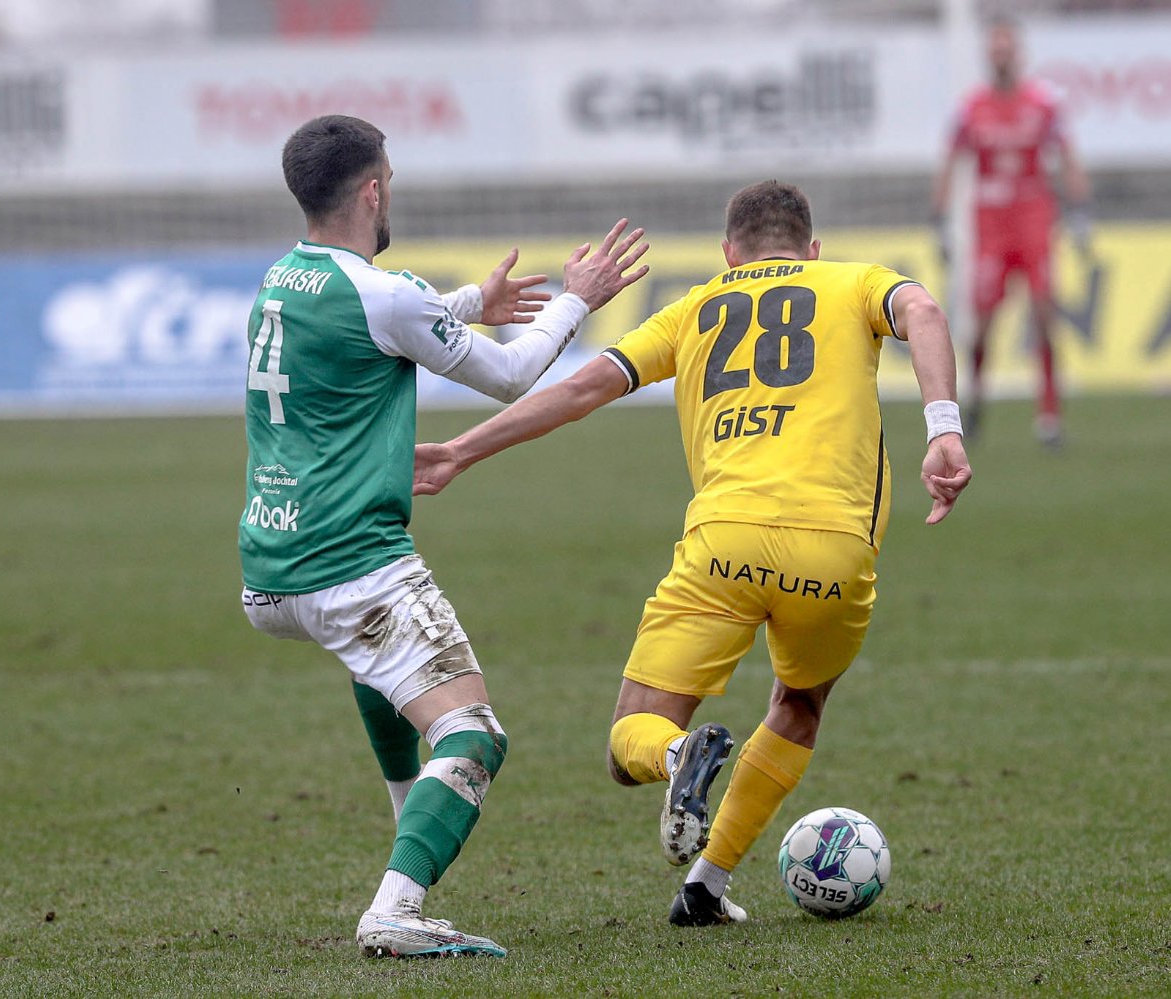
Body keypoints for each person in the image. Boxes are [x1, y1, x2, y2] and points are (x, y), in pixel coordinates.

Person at [413, 180, 972, 925]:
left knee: (630, 742)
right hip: (834, 550)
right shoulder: (855, 281)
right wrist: (943, 428)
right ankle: (706, 884)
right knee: (800, 705)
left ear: (728, 254)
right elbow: (924, 311)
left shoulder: (695, 309)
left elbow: (580, 390)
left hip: (723, 546)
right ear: (812, 249)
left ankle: (678, 756)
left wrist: (460, 450)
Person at [237, 114, 648, 958]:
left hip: (270, 569)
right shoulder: (383, 295)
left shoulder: (281, 279)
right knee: (475, 734)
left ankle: (407, 814)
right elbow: (510, 374)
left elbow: (382, 323)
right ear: (372, 191)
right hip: (351, 565)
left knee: (379, 670)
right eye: (391, 181)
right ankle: (396, 907)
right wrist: (577, 298)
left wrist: (470, 305)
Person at [932, 16, 1091, 447]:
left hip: (1034, 220)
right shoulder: (971, 108)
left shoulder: (1043, 103)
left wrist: (1079, 211)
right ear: (989, 56)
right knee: (983, 324)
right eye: (995, 50)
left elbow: (1068, 155)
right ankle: (976, 401)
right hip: (991, 227)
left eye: (1007, 50)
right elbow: (950, 162)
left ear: (1018, 55)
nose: (1001, 57)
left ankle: (1049, 415)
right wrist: (939, 221)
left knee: (1043, 313)